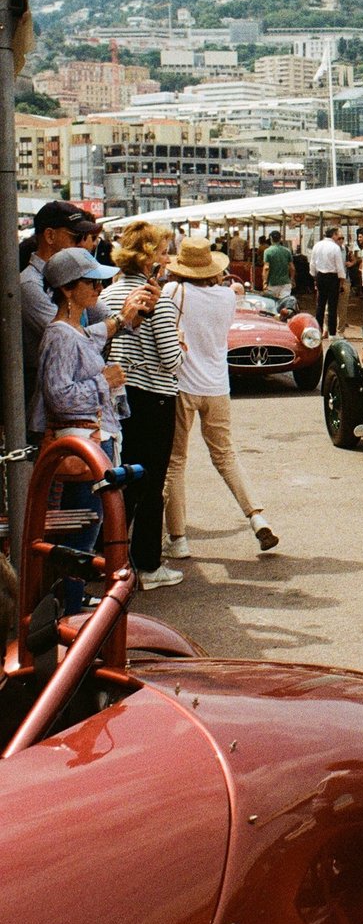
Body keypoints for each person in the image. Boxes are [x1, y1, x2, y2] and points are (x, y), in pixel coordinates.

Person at [163, 238, 279, 556]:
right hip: (217, 385)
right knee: (226, 456)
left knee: (175, 463)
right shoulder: (227, 296)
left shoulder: (174, 292)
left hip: (184, 383)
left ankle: (178, 538)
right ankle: (256, 517)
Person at [30, 247, 128, 614]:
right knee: (80, 537)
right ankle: (67, 615)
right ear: (68, 289)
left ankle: (67, 611)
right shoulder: (61, 335)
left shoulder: (73, 331)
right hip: (80, 450)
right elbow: (59, 396)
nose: (99, 288)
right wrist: (104, 381)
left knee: (84, 534)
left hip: (89, 445)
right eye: (92, 282)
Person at [104, 221, 184, 590]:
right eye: (163, 252)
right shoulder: (158, 301)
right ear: (149, 258)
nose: (167, 259)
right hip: (155, 397)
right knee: (151, 482)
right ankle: (148, 565)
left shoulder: (108, 294)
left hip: (120, 397)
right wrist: (181, 346)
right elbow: (171, 360)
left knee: (124, 478)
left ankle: (116, 556)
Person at [20, 200, 136, 401]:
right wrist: (119, 321)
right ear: (50, 236)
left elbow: (112, 319)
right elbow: (68, 338)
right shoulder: (30, 284)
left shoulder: (72, 273)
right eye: (76, 237)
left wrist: (135, 313)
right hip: (48, 397)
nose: (84, 244)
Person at [310, 227, 347, 338]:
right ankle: (332, 333)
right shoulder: (335, 247)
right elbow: (339, 266)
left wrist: (314, 276)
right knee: (332, 306)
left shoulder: (317, 245)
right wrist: (342, 279)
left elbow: (312, 263)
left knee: (320, 305)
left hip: (320, 276)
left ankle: (318, 330)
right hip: (332, 277)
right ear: (334, 235)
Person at [262, 230, 295, 301]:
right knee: (285, 304)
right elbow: (292, 268)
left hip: (272, 283)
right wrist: (292, 280)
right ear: (280, 239)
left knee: (273, 304)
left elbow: (266, 268)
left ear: (270, 238)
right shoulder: (287, 251)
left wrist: (265, 282)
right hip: (286, 283)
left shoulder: (267, 251)